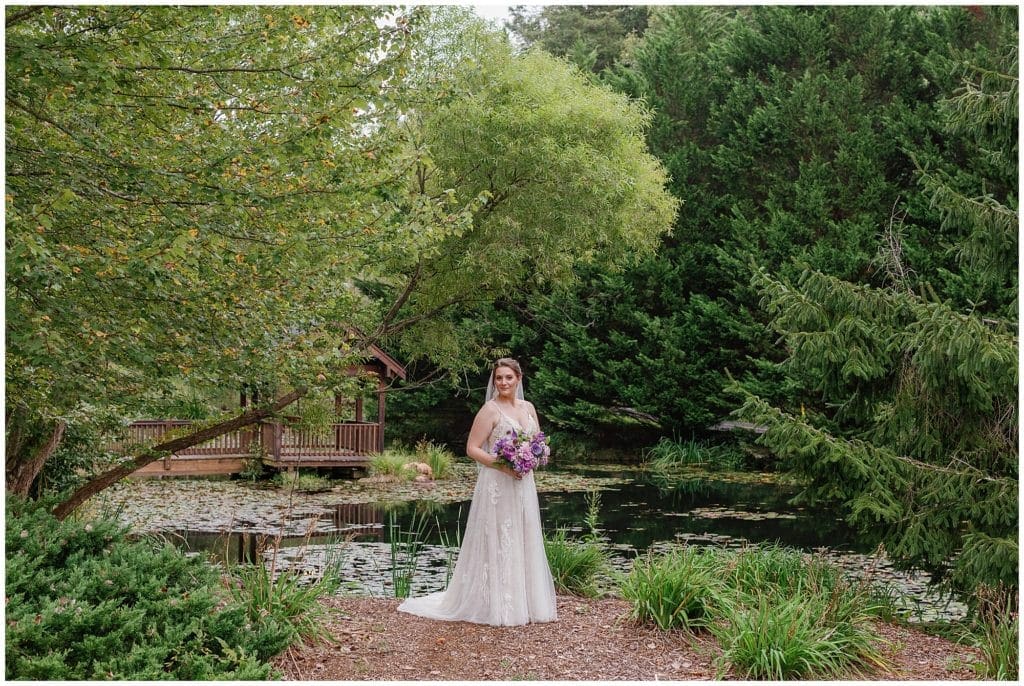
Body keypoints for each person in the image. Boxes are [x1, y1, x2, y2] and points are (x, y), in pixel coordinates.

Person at [397, 358, 558, 626]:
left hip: (523, 483)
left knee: (523, 534)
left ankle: (527, 602)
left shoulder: (529, 408)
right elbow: (472, 448)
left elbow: (536, 440)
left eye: (508, 377)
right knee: (500, 536)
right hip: (498, 482)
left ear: (519, 378)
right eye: (498, 378)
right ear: (494, 381)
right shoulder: (490, 410)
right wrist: (504, 466)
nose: (503, 382)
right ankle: (499, 605)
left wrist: (536, 457)